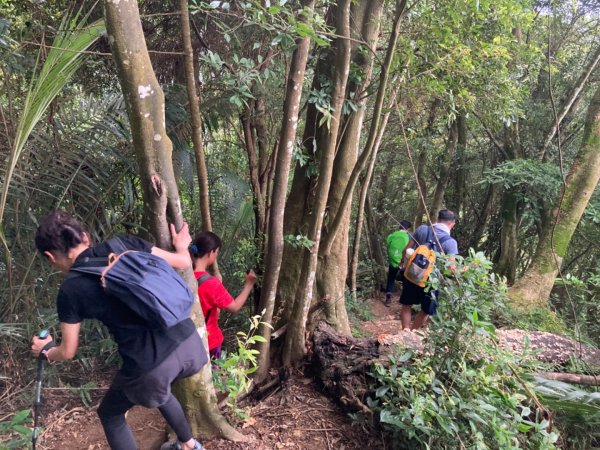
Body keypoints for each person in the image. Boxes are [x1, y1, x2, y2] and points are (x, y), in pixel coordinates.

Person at [31, 210, 207, 450]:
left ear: (51, 257)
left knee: (110, 415)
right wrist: (182, 245)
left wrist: (47, 351)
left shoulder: (70, 291)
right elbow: (184, 262)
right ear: (85, 237)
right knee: (159, 389)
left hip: (149, 367)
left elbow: (68, 350)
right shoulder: (124, 243)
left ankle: (188, 444)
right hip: (190, 345)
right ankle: (189, 445)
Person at [189, 231, 257, 360]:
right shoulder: (211, 284)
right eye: (217, 252)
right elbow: (235, 307)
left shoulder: (180, 276)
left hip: (185, 342)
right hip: (208, 342)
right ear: (211, 253)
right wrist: (249, 284)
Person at [400, 209, 458, 330]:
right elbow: (451, 268)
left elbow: (406, 250)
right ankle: (413, 332)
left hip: (412, 273)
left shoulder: (422, 230)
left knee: (406, 305)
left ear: (438, 219)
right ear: (452, 223)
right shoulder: (450, 242)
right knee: (426, 310)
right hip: (431, 282)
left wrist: (404, 264)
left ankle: (405, 331)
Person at [385, 220, 412, 306]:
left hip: (393, 261)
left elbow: (388, 246)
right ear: (408, 229)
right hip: (404, 263)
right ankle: (404, 300)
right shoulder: (409, 237)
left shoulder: (392, 235)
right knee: (406, 280)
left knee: (391, 279)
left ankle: (388, 298)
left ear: (399, 227)